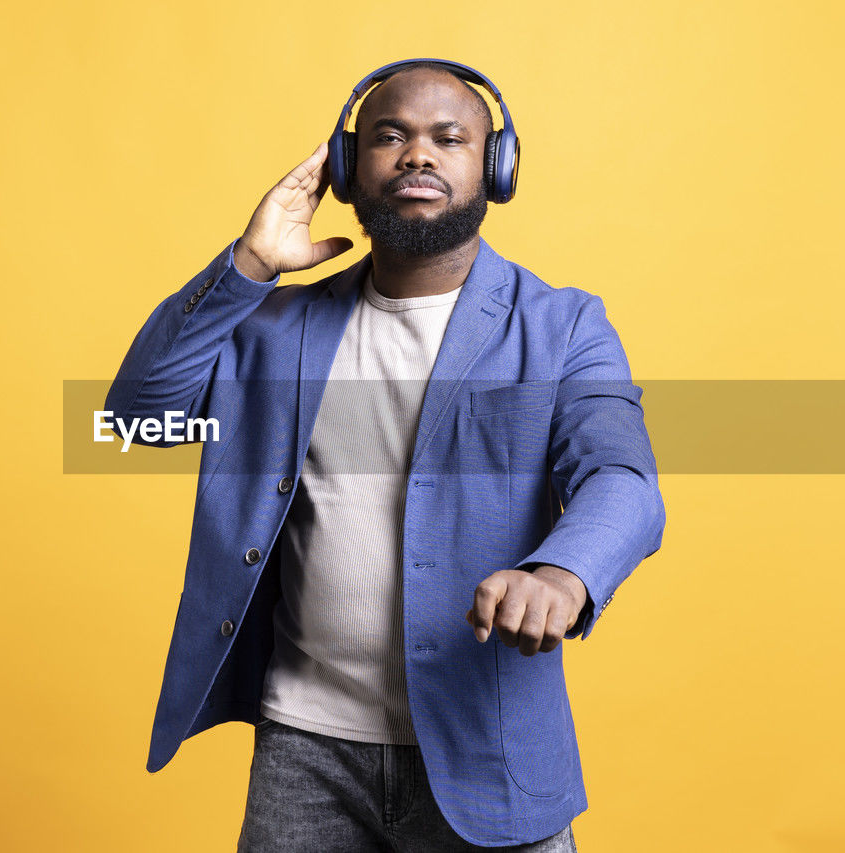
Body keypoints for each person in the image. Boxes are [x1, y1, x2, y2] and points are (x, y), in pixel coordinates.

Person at [103, 59, 665, 851]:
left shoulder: (563, 326)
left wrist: (563, 572)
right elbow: (133, 419)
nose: (417, 156)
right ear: (346, 165)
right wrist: (249, 265)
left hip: (488, 752)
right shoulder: (273, 327)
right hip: (304, 755)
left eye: (449, 138)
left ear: (493, 168)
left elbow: (623, 479)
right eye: (389, 136)